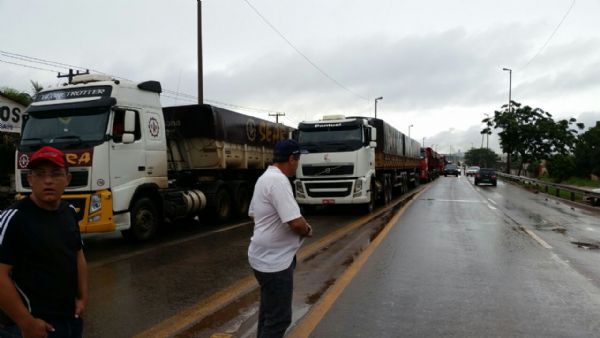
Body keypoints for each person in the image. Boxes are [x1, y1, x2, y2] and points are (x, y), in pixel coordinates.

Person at [0, 146, 88, 338]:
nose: (48, 181)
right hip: (33, 326)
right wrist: (27, 323)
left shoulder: (69, 213)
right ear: (30, 180)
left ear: (68, 179)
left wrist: (82, 298)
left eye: (56, 174)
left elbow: (78, 254)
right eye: (40, 174)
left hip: (70, 320)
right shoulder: (15, 218)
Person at [248, 139, 313, 338]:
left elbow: (254, 214)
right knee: (279, 319)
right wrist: (308, 229)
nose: (299, 164)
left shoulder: (265, 177)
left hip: (263, 258)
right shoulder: (278, 181)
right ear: (292, 159)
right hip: (274, 262)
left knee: (269, 314)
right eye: (298, 159)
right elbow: (295, 222)